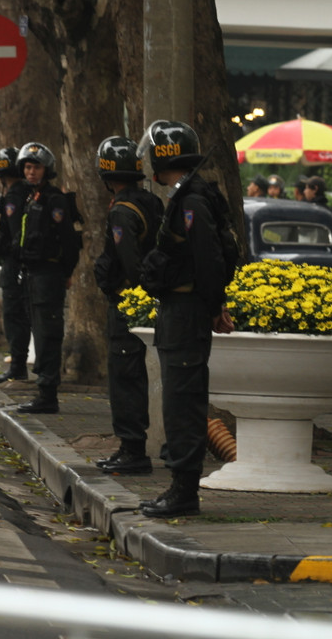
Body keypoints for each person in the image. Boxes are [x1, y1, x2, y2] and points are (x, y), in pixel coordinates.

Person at [137, 120, 235, 519]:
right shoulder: (187, 195)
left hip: (186, 312)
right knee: (179, 400)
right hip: (180, 311)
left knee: (183, 403)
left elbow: (208, 259)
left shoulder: (192, 201)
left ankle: (184, 491)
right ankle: (180, 487)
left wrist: (214, 306)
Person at [91, 136, 163, 475]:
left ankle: (132, 449)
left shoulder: (121, 210)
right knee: (133, 375)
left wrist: (129, 295)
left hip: (127, 304)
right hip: (144, 302)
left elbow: (130, 262)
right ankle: (132, 446)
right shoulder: (149, 201)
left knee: (124, 376)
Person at [10, 142, 81, 415]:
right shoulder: (32, 198)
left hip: (48, 275)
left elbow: (69, 242)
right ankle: (43, 390)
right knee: (38, 334)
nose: (31, 172)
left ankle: (48, 394)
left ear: (46, 169)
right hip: (31, 275)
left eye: (36, 167)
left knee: (48, 335)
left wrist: (65, 273)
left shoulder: (54, 200)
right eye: (27, 167)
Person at [0, 146, 32, 384]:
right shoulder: (24, 193)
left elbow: (15, 234)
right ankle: (18, 364)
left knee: (14, 316)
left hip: (15, 266)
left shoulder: (14, 196)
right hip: (21, 266)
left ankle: (17, 365)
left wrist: (3, 249)